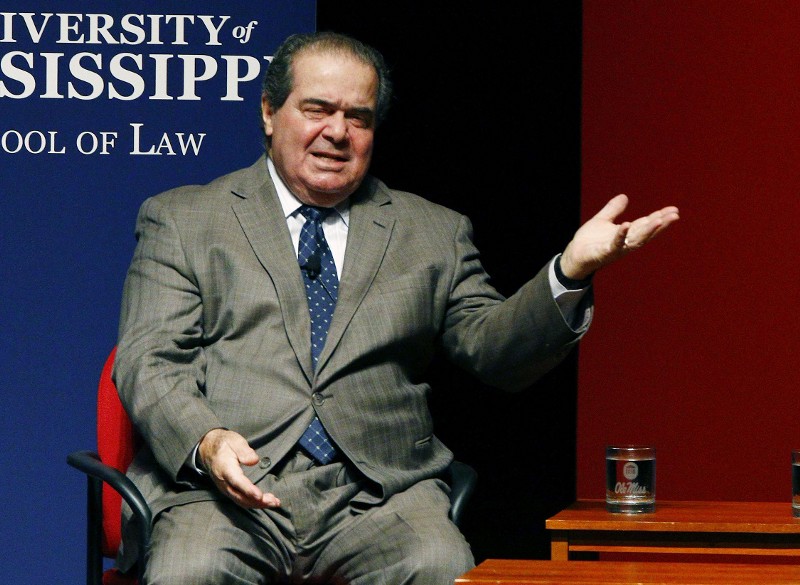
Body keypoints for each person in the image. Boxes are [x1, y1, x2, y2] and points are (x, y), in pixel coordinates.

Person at [113, 31, 679, 584]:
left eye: (358, 117)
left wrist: (569, 271)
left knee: (441, 566)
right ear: (268, 111)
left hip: (380, 497)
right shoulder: (184, 220)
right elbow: (149, 361)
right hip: (226, 495)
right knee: (188, 572)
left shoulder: (432, 231)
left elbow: (496, 351)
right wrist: (207, 441)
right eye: (317, 109)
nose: (337, 132)